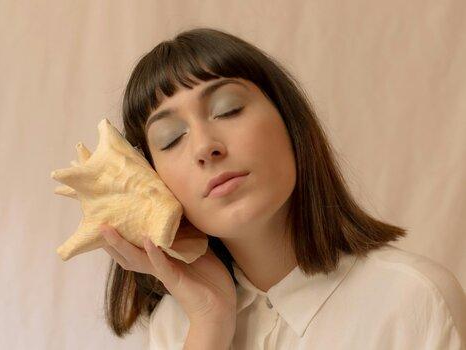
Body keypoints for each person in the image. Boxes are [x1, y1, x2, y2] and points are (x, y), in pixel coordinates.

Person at [98, 27, 466, 349]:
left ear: (290, 122)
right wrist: (209, 323)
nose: (204, 147)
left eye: (227, 110)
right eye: (171, 138)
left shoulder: (413, 299)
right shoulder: (179, 322)